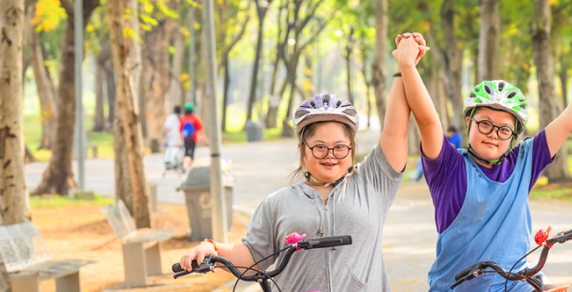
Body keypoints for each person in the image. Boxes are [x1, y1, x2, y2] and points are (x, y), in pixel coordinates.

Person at [177, 34, 428, 291]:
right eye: (319, 147)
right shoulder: (276, 204)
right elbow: (252, 257)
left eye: (340, 147)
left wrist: (403, 67)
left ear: (352, 149)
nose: (330, 155)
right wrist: (212, 248)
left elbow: (394, 131)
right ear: (302, 149)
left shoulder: (372, 183)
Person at [398, 35, 572, 291]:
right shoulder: (448, 166)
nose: (493, 134)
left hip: (515, 284)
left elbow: (568, 120)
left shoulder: (524, 161)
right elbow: (427, 120)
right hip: (457, 287)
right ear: (468, 122)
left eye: (504, 130)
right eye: (485, 124)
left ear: (513, 136)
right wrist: (407, 66)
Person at [178, 103, 204, 168]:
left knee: (186, 152)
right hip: (193, 138)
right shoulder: (195, 117)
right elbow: (200, 128)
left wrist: (179, 139)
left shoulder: (182, 118)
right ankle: (191, 166)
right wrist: (202, 137)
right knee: (192, 152)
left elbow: (180, 130)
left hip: (185, 138)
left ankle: (185, 166)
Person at [163, 106, 184, 173]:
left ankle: (169, 167)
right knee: (179, 154)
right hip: (180, 139)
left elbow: (168, 129)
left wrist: (165, 138)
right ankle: (177, 167)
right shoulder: (182, 117)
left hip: (171, 139)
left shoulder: (171, 117)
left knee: (170, 153)